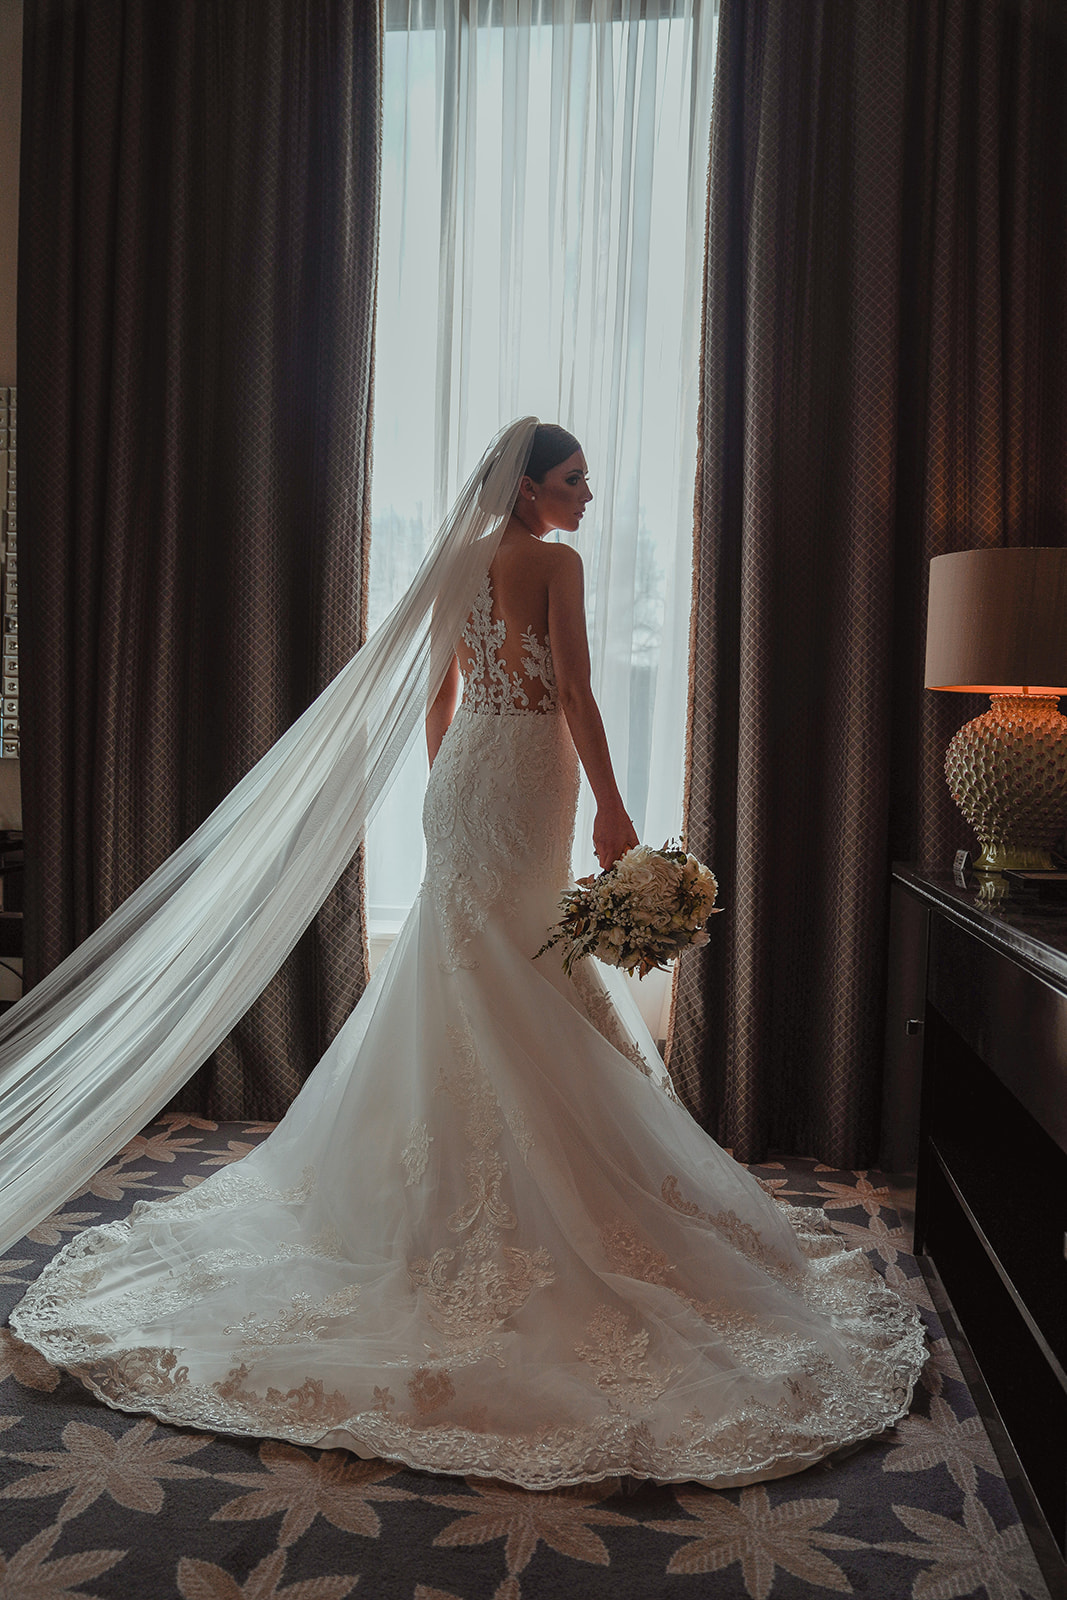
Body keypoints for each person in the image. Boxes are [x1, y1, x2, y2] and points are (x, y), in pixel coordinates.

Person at [8, 421, 925, 1491]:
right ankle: (537, 1182)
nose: (588, 496)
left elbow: (440, 695)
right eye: (574, 479)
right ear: (530, 487)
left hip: (470, 781)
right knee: (520, 963)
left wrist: (455, 786)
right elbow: (576, 690)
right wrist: (613, 816)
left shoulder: (456, 563)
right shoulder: (557, 563)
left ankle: (438, 1182)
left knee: (473, 964)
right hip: (531, 773)